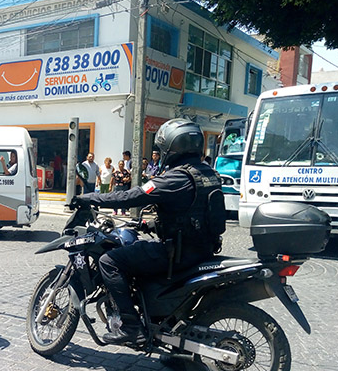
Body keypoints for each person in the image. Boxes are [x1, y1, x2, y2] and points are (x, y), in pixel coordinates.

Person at [70, 119, 224, 345]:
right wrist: (150, 225)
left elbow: (131, 196)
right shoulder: (208, 173)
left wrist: (89, 198)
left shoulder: (175, 177)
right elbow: (192, 213)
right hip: (203, 249)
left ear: (172, 147)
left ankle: (131, 326)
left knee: (109, 261)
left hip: (178, 254)